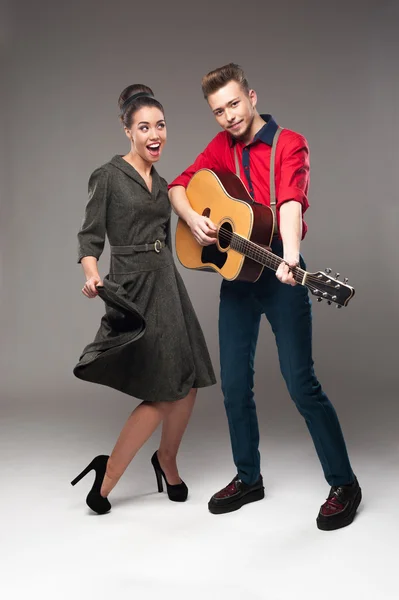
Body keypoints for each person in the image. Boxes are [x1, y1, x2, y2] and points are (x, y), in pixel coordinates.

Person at [168, 63, 361, 531]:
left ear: (251, 97)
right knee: (234, 385)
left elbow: (291, 201)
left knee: (301, 384)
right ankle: (248, 477)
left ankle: (344, 484)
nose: (229, 116)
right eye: (218, 111)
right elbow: (177, 186)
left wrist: (291, 257)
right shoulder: (220, 147)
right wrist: (194, 218)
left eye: (234, 104)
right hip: (237, 276)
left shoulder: (288, 144)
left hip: (279, 266)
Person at [71, 85, 216, 515]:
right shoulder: (109, 176)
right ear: (128, 131)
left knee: (189, 383)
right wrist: (93, 276)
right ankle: (108, 477)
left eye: (161, 125)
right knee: (162, 390)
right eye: (144, 127)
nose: (155, 134)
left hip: (168, 283)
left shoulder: (164, 184)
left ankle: (166, 460)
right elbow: (89, 237)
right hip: (134, 288)